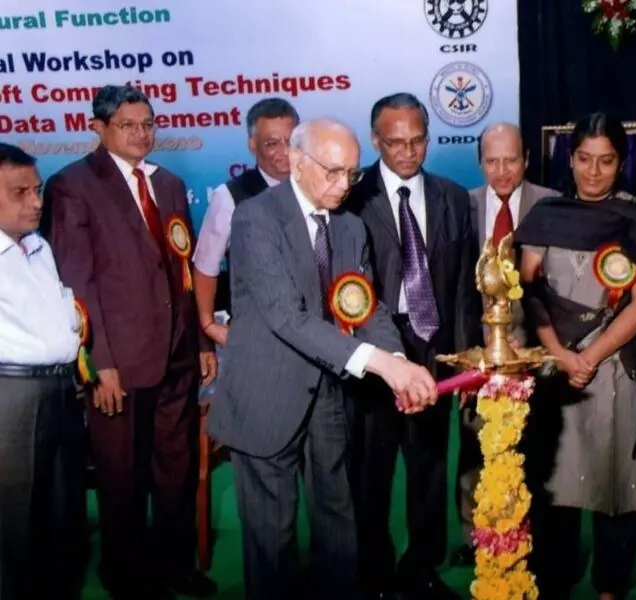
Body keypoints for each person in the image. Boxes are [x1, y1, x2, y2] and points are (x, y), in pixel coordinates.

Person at [207, 118, 438, 600]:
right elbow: (287, 318)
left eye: (351, 174)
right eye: (332, 172)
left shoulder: (351, 226)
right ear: (295, 161)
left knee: (338, 524)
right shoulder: (255, 218)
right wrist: (382, 363)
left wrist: (398, 358)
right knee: (273, 538)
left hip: (327, 396)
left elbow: (364, 305)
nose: (342, 186)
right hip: (265, 397)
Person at [44, 85, 217, 600]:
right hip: (117, 361)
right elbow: (77, 283)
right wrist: (100, 364)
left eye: (148, 124)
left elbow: (180, 271)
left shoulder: (169, 184)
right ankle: (126, 575)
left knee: (176, 469)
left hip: (178, 355)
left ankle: (175, 566)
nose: (142, 134)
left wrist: (201, 342)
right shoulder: (72, 185)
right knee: (123, 476)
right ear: (98, 128)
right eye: (128, 125)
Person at [514, 113, 636, 600]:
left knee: (618, 484)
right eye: (584, 159)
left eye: (606, 161)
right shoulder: (545, 215)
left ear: (621, 163)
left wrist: (591, 355)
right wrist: (559, 353)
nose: (594, 172)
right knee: (555, 483)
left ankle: (610, 586)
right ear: (569, 159)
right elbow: (528, 290)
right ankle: (556, 580)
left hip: (615, 367)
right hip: (556, 368)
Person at [347, 92, 479, 599]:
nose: (408, 151)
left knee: (427, 469)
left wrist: (464, 357)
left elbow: (465, 288)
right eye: (395, 141)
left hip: (434, 350)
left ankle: (421, 569)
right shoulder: (353, 198)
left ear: (429, 136)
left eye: (418, 139)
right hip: (375, 354)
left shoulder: (451, 196)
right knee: (372, 473)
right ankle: (374, 576)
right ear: (376, 140)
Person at [451, 122, 559, 567]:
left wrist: (536, 344)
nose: (501, 171)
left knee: (537, 450)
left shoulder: (550, 204)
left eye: (510, 160)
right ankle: (472, 535)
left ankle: (534, 535)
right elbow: (455, 287)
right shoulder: (461, 206)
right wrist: (468, 356)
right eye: (491, 161)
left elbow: (560, 286)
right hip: (479, 355)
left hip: (536, 353)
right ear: (480, 162)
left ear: (527, 159)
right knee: (475, 449)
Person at [0, 143, 86, 600]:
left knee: (61, 514)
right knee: (15, 524)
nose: (36, 201)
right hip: (11, 398)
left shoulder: (39, 245)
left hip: (59, 390)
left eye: (36, 189)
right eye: (20, 192)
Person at [193, 97, 300, 345]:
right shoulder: (230, 196)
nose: (284, 152)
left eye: (291, 141)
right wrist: (208, 325)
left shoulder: (318, 187)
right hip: (259, 337)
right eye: (272, 143)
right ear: (253, 145)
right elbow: (205, 267)